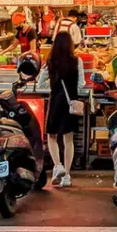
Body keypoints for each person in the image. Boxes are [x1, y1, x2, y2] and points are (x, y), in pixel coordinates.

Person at [37, 32, 85, 188]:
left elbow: (40, 84)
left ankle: (58, 166)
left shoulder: (50, 61)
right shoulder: (77, 61)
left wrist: (52, 85)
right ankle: (67, 175)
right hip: (71, 102)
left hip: (56, 101)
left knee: (51, 136)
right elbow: (81, 84)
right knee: (68, 139)